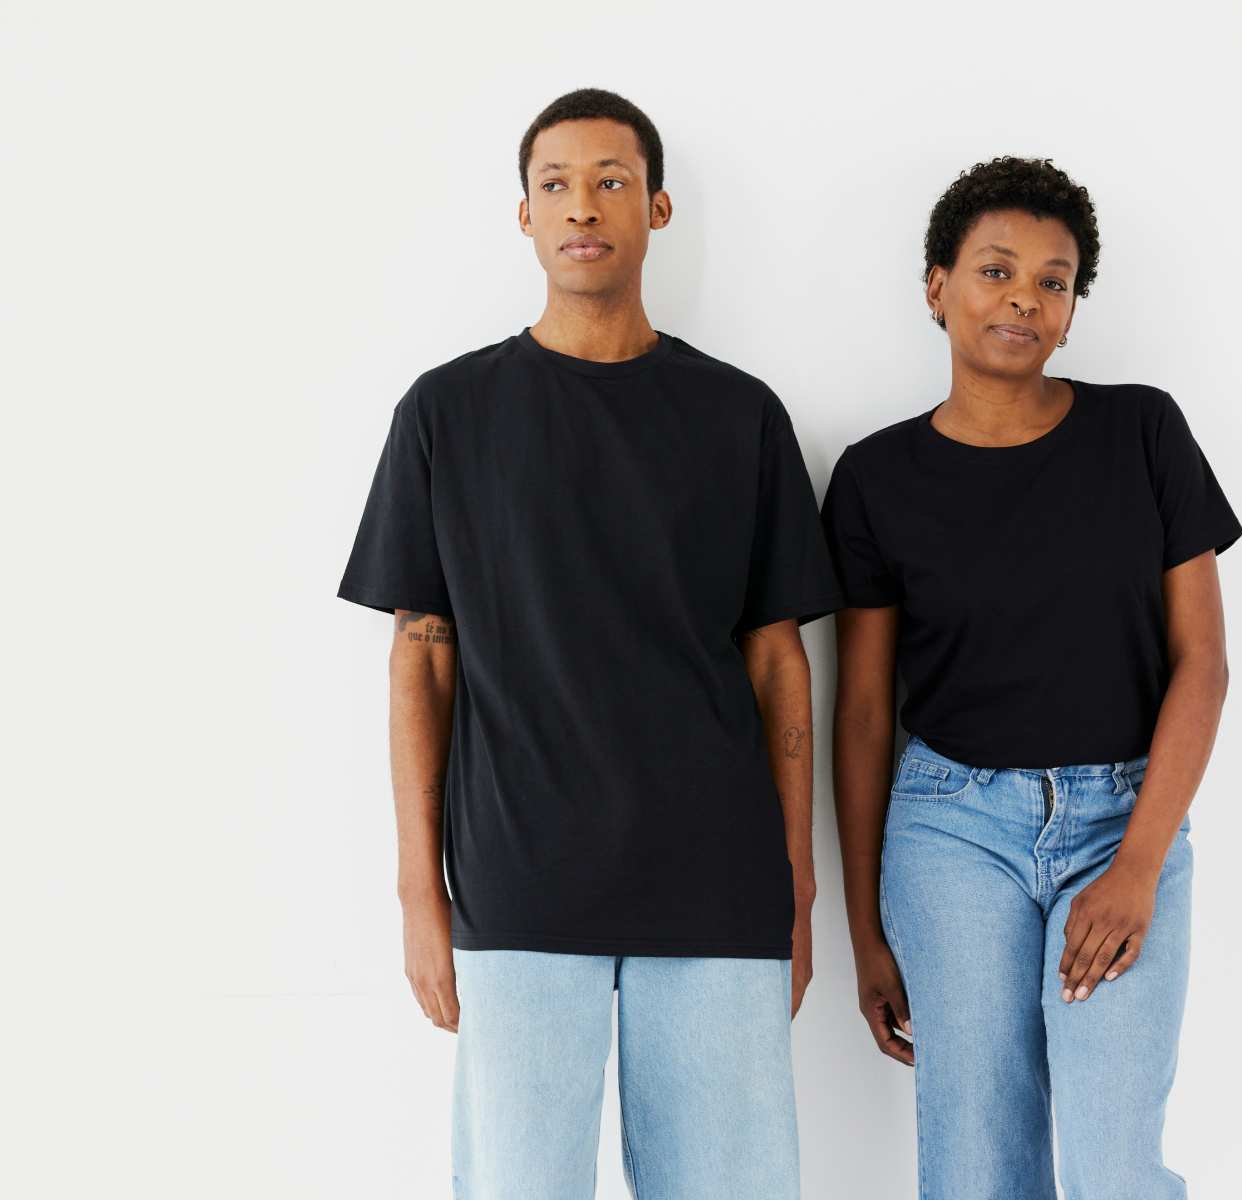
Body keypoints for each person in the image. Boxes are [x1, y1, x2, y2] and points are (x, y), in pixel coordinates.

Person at [336, 87, 842, 1200]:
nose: (583, 205)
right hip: (519, 881)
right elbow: (421, 657)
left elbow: (778, 663)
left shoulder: (740, 416)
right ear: (524, 214)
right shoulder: (447, 413)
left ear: (656, 208)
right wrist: (419, 892)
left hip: (716, 885)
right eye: (556, 183)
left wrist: (797, 890)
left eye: (612, 180)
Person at [821, 155, 1242, 1199]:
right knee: (977, 1165)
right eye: (996, 270)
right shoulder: (875, 478)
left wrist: (1138, 863)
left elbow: (1202, 664)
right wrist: (866, 931)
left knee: (1113, 1165)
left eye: (1053, 281)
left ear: (1071, 311)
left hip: (1124, 819)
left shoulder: (1141, 430)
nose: (1024, 297)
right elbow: (864, 714)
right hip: (951, 832)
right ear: (937, 287)